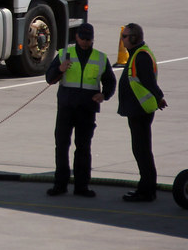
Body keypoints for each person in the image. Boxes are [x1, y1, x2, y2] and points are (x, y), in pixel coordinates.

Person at [44, 23, 115, 198]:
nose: (85, 42)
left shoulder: (100, 58)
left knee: (83, 148)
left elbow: (110, 82)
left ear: (93, 39)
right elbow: (49, 78)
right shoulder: (64, 54)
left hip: (86, 110)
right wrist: (59, 69)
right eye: (82, 38)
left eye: (88, 39)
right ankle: (60, 184)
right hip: (66, 108)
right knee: (62, 146)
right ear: (76, 37)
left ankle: (81, 186)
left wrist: (104, 95)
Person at [118, 23, 167, 202]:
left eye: (125, 36)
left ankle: (147, 190)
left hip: (140, 110)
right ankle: (146, 187)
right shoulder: (137, 54)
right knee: (141, 150)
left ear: (134, 38)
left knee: (142, 150)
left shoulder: (141, 56)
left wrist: (160, 97)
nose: (122, 40)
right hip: (136, 110)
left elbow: (149, 82)